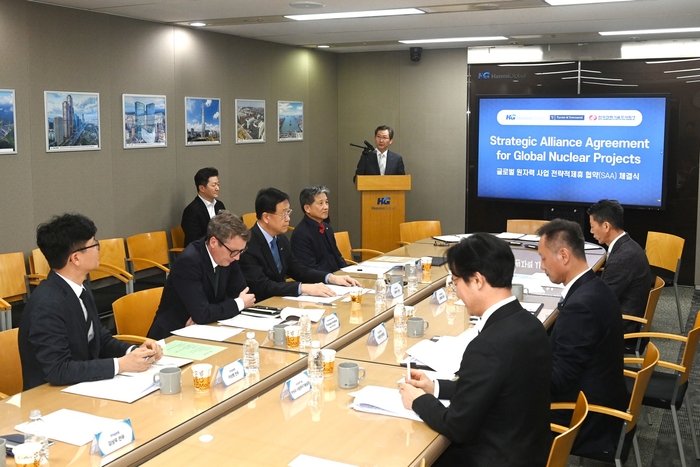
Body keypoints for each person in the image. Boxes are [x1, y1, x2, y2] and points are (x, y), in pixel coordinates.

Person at [399, 233, 552, 467]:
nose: (456, 291)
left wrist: (419, 401)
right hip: (530, 452)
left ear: (477, 280)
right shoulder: (532, 325)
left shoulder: (487, 346)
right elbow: (495, 388)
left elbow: (457, 427)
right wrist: (435, 387)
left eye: (456, 281)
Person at [18, 213, 163, 391]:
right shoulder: (46, 304)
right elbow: (58, 370)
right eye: (94, 244)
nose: (98, 249)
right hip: (49, 396)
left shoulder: (81, 289)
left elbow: (99, 340)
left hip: (81, 386)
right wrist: (120, 365)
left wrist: (134, 352)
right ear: (76, 258)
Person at [537, 219, 628, 458]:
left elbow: (559, 380)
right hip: (598, 395)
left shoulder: (581, 306)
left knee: (498, 412)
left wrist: (517, 365)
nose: (541, 266)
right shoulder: (596, 288)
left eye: (543, 259)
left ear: (564, 256)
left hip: (587, 417)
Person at [239, 187, 361, 302]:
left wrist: (330, 278)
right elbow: (262, 286)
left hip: (280, 299)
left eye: (288, 213)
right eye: (284, 214)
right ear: (266, 217)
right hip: (260, 304)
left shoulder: (280, 239)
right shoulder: (248, 244)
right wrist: (303, 288)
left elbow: (298, 270)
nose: (288, 219)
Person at [148, 211, 255, 340]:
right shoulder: (189, 261)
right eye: (234, 252)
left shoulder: (229, 257)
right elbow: (203, 313)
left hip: (206, 328)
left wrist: (210, 313)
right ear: (213, 242)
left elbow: (244, 294)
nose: (237, 257)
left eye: (241, 251)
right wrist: (238, 304)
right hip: (172, 335)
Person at [588, 199, 653, 338]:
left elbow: (601, 300)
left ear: (606, 226)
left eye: (593, 226)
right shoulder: (627, 246)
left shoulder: (623, 257)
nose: (591, 231)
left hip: (621, 326)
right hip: (620, 313)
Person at [290, 185, 347, 273]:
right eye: (321, 203)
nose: (326, 207)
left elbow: (337, 257)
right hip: (321, 278)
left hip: (337, 275)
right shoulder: (300, 234)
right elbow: (309, 269)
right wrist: (332, 277)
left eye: (326, 202)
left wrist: (349, 272)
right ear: (307, 208)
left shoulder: (327, 227)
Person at [181, 167, 226, 246]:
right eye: (213, 185)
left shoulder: (219, 205)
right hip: (200, 249)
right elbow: (194, 239)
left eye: (218, 184)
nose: (217, 188)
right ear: (202, 188)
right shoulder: (191, 210)